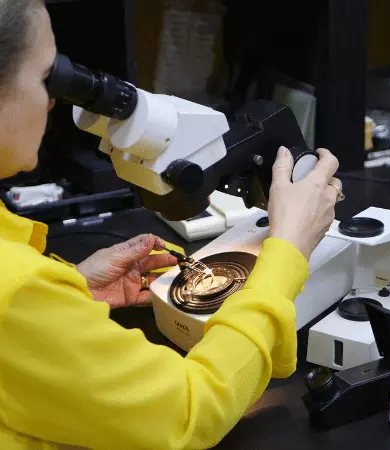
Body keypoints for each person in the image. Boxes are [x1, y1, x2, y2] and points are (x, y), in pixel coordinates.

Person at [0, 1, 343, 449]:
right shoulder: (14, 292)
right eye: (48, 77)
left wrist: (65, 294)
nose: (52, 100)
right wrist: (288, 252)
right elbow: (189, 411)